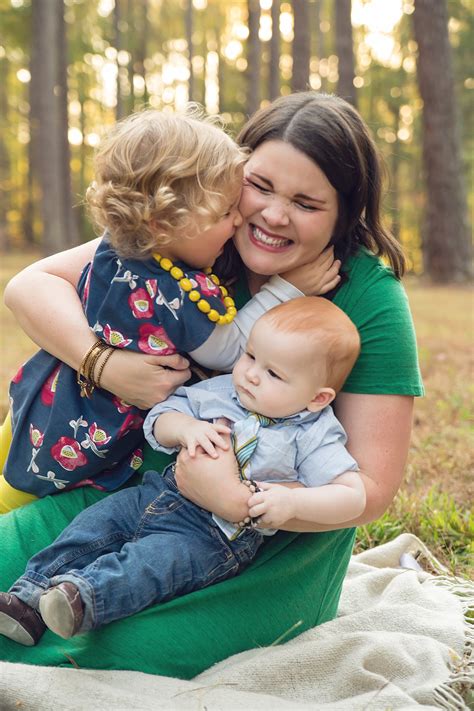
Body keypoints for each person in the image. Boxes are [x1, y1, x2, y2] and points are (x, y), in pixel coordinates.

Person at [0, 92, 422, 678]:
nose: (273, 215)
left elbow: (371, 487)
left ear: (343, 214)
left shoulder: (366, 298)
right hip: (126, 494)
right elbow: (30, 285)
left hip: (260, 544)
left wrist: (238, 504)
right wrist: (103, 363)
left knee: (117, 651)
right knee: (16, 592)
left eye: (306, 203)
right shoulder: (191, 233)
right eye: (262, 186)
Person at [0, 107, 335, 511]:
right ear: (163, 224)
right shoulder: (174, 295)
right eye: (223, 213)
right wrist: (286, 290)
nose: (236, 223)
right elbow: (228, 350)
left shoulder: (120, 247)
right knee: (12, 499)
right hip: (77, 431)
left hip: (45, 393)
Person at [0, 297, 365, 646]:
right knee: (94, 527)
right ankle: (28, 597)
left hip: (213, 536)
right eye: (251, 356)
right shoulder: (222, 392)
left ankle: (81, 599)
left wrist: (295, 503)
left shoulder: (314, 434)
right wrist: (185, 428)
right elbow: (159, 419)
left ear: (318, 397)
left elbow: (352, 494)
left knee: (152, 565)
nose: (251, 375)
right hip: (160, 492)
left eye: (273, 373)